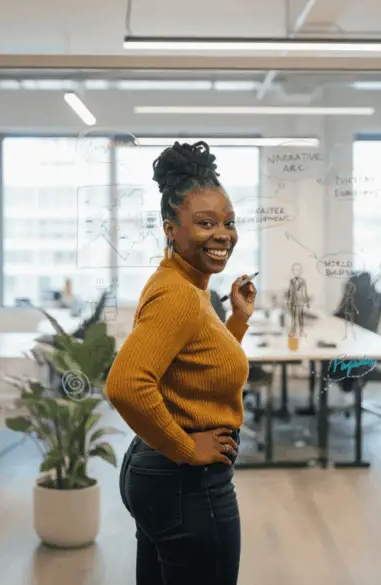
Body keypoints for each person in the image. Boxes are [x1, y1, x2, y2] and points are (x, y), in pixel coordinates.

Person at [106, 141, 257, 585]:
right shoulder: (177, 294)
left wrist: (237, 322)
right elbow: (126, 385)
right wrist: (186, 448)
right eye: (205, 223)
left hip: (161, 475)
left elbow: (195, 375)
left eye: (228, 223)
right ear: (171, 229)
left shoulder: (188, 286)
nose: (223, 234)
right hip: (185, 482)